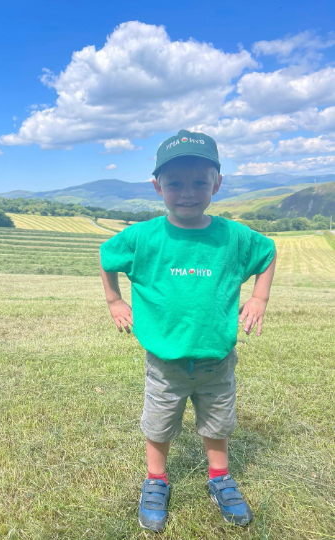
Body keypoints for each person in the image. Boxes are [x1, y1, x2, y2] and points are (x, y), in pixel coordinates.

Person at [98, 129, 277, 532]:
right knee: (158, 425)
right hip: (165, 363)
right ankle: (156, 481)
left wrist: (259, 298)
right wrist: (114, 301)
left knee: (218, 424)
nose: (188, 193)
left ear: (217, 182)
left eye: (200, 182)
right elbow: (106, 255)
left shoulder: (233, 236)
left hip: (218, 360)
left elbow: (268, 252)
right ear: (157, 185)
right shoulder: (144, 236)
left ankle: (220, 479)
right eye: (175, 183)